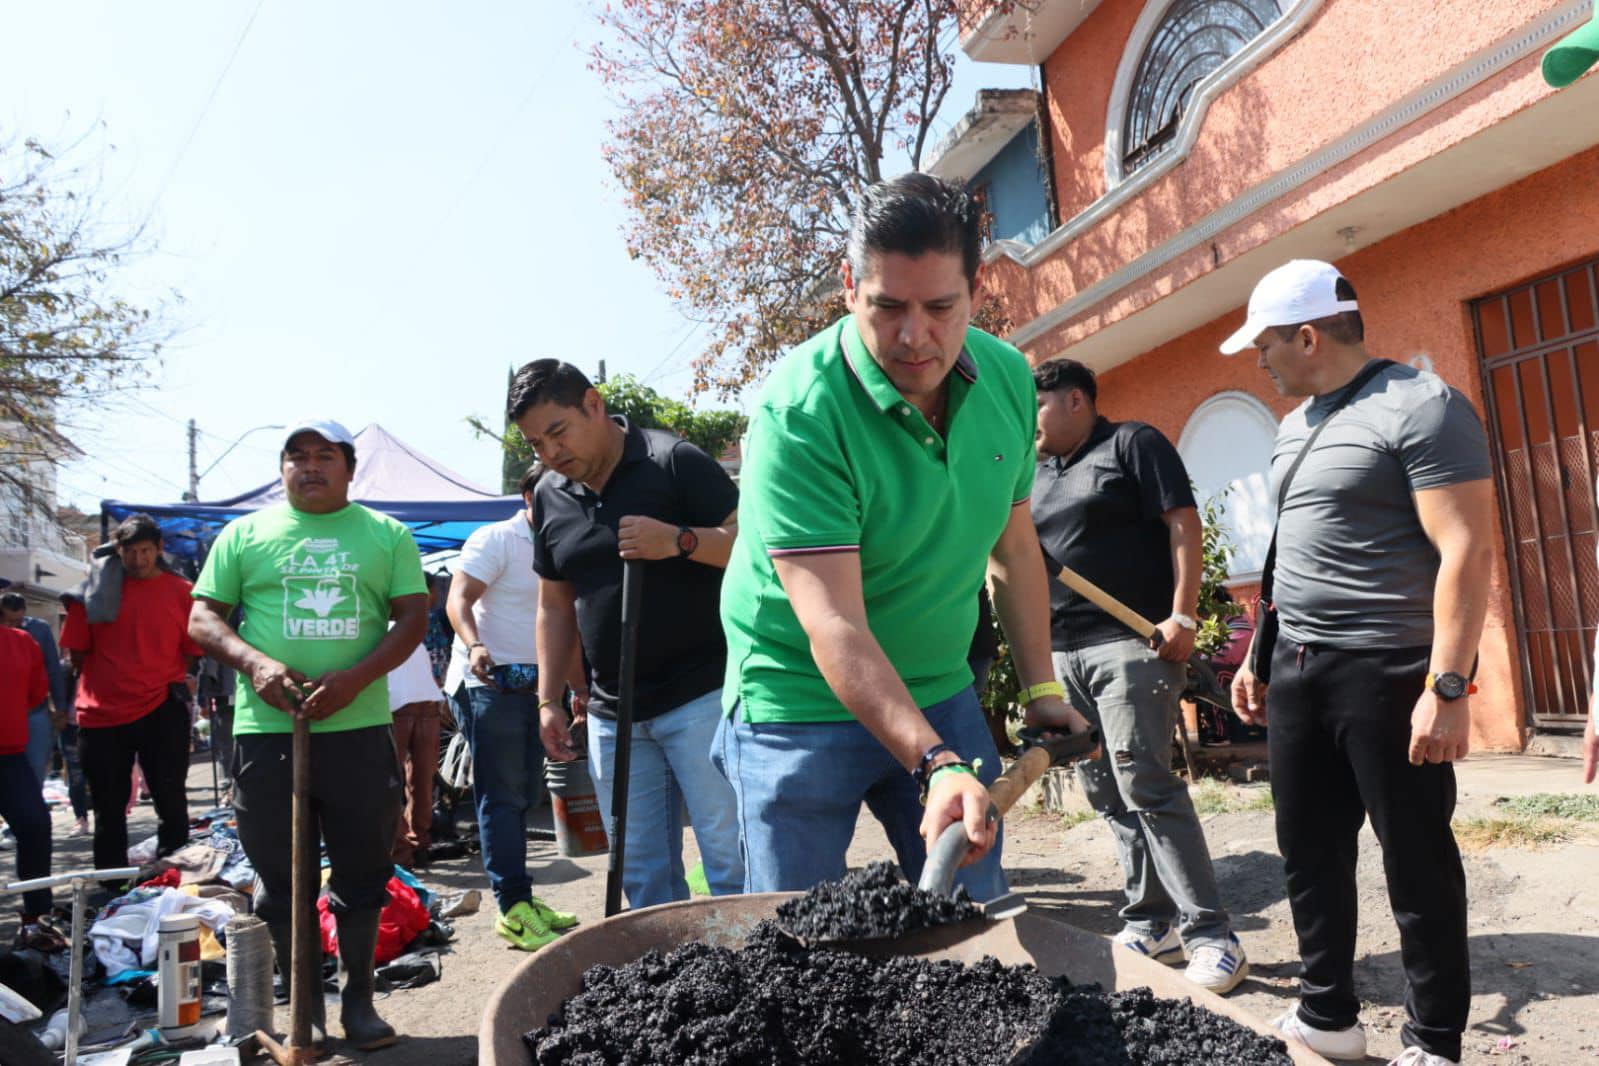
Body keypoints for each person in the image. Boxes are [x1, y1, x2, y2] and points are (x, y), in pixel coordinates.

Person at [716, 173, 1093, 899]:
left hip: (938, 685)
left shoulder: (1010, 380)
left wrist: (1040, 685)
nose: (915, 336)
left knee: (973, 923)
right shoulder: (800, 412)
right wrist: (934, 762)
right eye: (887, 307)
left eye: (940, 307)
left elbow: (1012, 549)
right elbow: (832, 620)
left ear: (977, 292)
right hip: (794, 701)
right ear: (848, 286)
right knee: (800, 947)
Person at [1223, 260, 1494, 1066]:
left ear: (1307, 336)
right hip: (1299, 670)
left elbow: (1466, 550)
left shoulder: (1421, 406)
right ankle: (1327, 1017)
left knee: (1414, 859)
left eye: (1264, 346)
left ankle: (1433, 1040)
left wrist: (1447, 686)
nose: (1259, 361)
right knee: (1307, 850)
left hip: (1387, 672)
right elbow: (1288, 550)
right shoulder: (1292, 426)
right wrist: (1262, 656)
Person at [188, 420, 428, 1051]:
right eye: (297, 456)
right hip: (265, 733)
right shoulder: (244, 534)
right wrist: (255, 664)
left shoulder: (386, 535)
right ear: (283, 468)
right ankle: (305, 1011)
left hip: (357, 729)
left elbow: (412, 618)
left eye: (325, 456)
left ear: (350, 469)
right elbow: (203, 617)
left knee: (362, 871)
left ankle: (358, 1003)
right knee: (279, 878)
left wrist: (357, 677)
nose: (310, 466)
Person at [1032, 357, 1247, 993]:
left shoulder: (1132, 445)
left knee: (1147, 785)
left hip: (1130, 641)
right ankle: (1152, 922)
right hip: (1062, 652)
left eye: (1035, 406)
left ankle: (1212, 934)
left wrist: (1182, 613)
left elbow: (1183, 522)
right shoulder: (1036, 472)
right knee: (1104, 791)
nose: (1027, 423)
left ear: (1076, 400)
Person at [509, 359, 744, 909]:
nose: (549, 453)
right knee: (640, 878)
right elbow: (554, 603)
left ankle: (757, 980)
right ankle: (669, 989)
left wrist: (679, 541)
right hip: (614, 715)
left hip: (703, 698)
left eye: (557, 432)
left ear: (593, 404)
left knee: (732, 861)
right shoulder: (548, 493)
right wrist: (548, 699)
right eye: (536, 444)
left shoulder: (673, 461)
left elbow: (754, 546)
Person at [445, 463, 581, 947]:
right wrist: (475, 644)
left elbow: (566, 625)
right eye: (553, 489)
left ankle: (521, 897)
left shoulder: (564, 542)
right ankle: (512, 909)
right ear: (528, 496)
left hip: (538, 691)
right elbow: (457, 600)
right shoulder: (496, 539)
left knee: (524, 795)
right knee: (501, 796)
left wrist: (576, 690)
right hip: (488, 685)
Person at [61, 515, 201, 875]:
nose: (138, 560)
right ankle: (111, 884)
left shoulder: (182, 592)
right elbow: (76, 654)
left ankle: (175, 876)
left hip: (160, 708)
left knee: (171, 799)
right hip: (102, 713)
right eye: (131, 552)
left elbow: (190, 650)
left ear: (159, 549)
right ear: (118, 551)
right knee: (108, 806)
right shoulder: (91, 593)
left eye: (145, 551)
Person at [0, 587, 53, 929]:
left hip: (10, 756)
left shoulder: (23, 643)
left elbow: (37, 692)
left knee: (35, 825)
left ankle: (38, 914)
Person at [0, 592, 69, 790]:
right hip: (8, 714)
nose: (13, 624)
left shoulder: (38, 630)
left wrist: (60, 707)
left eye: (18, 620)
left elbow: (53, 670)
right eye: (8, 620)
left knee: (36, 767)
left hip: (35, 712)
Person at [386, 627, 442, 869]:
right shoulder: (410, 630)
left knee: (387, 782)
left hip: (394, 705)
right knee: (422, 780)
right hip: (427, 702)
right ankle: (419, 842)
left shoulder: (375, 631)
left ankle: (400, 854)